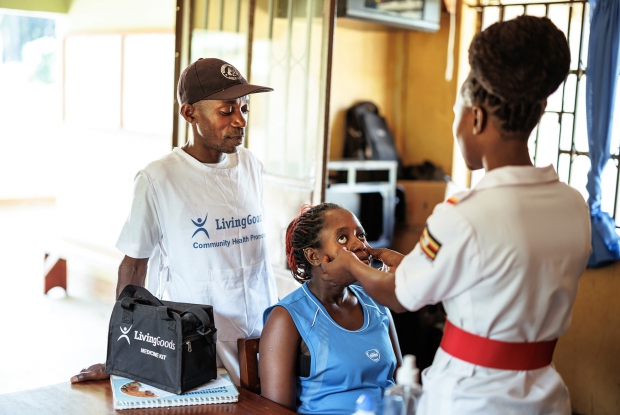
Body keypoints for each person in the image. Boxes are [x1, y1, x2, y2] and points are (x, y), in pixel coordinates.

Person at [320, 16, 591, 415]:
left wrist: (350, 265)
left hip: (472, 398)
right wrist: (411, 263)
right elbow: (496, 277)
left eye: (456, 113)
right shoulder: (573, 204)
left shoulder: (463, 215)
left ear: (476, 118)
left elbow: (399, 296)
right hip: (546, 395)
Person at [70, 58, 279, 386]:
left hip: (264, 340)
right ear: (189, 113)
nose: (240, 120)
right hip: (200, 345)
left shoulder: (251, 164)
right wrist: (122, 353)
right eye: (227, 111)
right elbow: (134, 266)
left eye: (245, 108)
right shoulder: (159, 179)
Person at [259, 203, 403, 415]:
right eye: (343, 238)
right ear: (314, 256)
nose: (359, 244)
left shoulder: (376, 303)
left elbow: (402, 384)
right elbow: (276, 411)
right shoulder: (287, 318)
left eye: (360, 235)